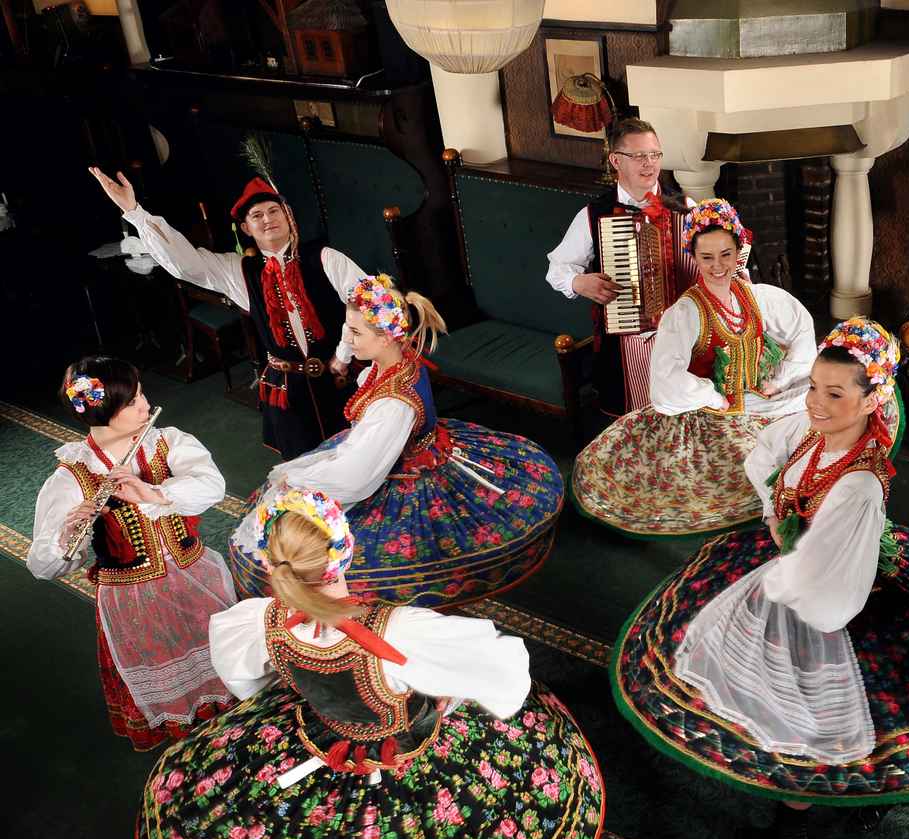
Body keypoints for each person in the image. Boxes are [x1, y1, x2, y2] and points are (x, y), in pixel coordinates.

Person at [611, 318, 909, 839]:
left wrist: (782, 594)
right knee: (795, 697)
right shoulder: (810, 430)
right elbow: (764, 455)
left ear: (872, 402)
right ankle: (817, 806)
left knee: (820, 712)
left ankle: (802, 822)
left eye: (835, 394)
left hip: (837, 593)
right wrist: (775, 514)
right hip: (804, 565)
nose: (816, 403)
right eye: (813, 387)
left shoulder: (859, 486)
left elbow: (832, 601)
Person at [137, 488, 604, 839]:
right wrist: (447, 700)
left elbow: (244, 681)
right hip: (406, 742)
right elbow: (504, 671)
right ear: (346, 550)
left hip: (317, 731)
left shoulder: (259, 620)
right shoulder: (401, 629)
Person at [228, 274, 564, 607]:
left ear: (387, 337)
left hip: (401, 471)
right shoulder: (396, 358)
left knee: (315, 551)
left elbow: (356, 476)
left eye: (356, 332)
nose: (348, 339)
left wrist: (302, 484)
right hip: (388, 447)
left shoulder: (393, 404)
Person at [570, 198, 821, 536]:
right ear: (694, 257)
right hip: (707, 413)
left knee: (821, 425)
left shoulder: (756, 296)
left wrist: (781, 378)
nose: (718, 266)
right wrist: (712, 396)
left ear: (738, 252)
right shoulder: (685, 313)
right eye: (707, 257)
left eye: (726, 255)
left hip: (758, 398)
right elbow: (667, 380)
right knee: (741, 466)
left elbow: (800, 327)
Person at [26, 356, 234, 749]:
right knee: (171, 684)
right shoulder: (70, 477)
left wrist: (154, 493)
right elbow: (43, 566)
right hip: (133, 602)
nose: (145, 406)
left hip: (197, 578)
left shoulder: (167, 441)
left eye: (142, 395)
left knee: (224, 663)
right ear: (104, 411)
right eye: (133, 401)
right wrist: (69, 534)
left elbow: (212, 486)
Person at [90, 167, 368, 458]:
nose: (268, 219)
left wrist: (344, 352)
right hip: (290, 393)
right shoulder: (239, 271)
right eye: (257, 215)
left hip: (340, 377)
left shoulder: (325, 258)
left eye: (274, 211)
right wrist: (134, 212)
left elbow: (368, 301)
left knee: (363, 457)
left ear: (288, 216)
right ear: (246, 228)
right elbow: (184, 263)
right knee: (307, 469)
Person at [545, 118, 699, 414]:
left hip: (682, 338)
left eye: (654, 154)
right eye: (639, 155)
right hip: (623, 346)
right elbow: (557, 268)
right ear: (616, 160)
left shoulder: (685, 207)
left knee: (684, 415)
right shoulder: (595, 213)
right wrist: (579, 282)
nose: (649, 163)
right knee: (633, 421)